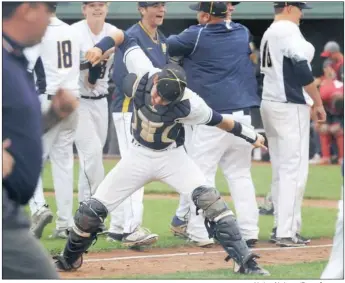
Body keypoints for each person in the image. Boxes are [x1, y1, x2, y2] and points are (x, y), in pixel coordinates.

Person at [53, 27, 269, 276]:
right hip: (137, 156)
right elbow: (123, 36)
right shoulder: (145, 72)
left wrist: (252, 135)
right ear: (155, 81)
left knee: (211, 202)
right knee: (90, 212)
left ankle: (245, 261)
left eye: (167, 101)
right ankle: (69, 259)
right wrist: (100, 47)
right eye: (158, 94)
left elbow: (222, 121)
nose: (158, 101)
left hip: (172, 158)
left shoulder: (191, 104)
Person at [167, 1, 261, 247]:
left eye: (200, 11)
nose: (198, 15)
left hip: (214, 119)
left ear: (206, 15)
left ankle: (200, 233)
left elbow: (167, 45)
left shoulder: (196, 34)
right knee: (240, 175)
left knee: (201, 176)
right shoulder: (241, 32)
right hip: (242, 118)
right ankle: (250, 232)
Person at [2, 2, 78, 279]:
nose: (52, 17)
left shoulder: (14, 56)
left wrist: (55, 116)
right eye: (48, 8)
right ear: (27, 9)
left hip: (11, 206)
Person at [260, 2, 327, 247]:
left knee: (281, 169)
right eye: (299, 9)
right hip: (289, 104)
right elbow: (300, 67)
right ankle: (286, 231)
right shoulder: (288, 29)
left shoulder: (271, 30)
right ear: (288, 7)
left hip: (270, 102)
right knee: (294, 170)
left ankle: (282, 225)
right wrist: (318, 102)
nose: (301, 14)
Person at [106, 1, 168, 248]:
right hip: (128, 109)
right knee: (137, 168)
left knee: (127, 168)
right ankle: (131, 229)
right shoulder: (132, 36)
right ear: (142, 9)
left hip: (145, 111)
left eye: (163, 5)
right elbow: (124, 78)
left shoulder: (160, 39)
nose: (161, 9)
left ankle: (117, 226)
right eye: (154, 5)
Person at [27, 4, 81, 240]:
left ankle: (38, 207)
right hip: (72, 100)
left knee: (28, 159)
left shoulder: (38, 30)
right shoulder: (71, 30)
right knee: (64, 163)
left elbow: (24, 67)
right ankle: (65, 223)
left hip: (49, 100)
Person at [71, 2, 117, 231]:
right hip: (77, 102)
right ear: (84, 8)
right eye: (92, 4)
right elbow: (68, 68)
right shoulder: (74, 32)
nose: (97, 8)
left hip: (101, 101)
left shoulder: (112, 32)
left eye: (101, 4)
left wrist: (101, 57)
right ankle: (91, 214)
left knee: (91, 160)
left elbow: (95, 78)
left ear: (107, 8)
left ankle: (82, 216)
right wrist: (91, 61)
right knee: (93, 154)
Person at [315, 59, 344, 165]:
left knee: (340, 131)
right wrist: (321, 123)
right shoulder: (322, 86)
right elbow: (318, 107)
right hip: (330, 116)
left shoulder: (340, 86)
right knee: (322, 129)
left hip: (340, 117)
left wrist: (341, 125)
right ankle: (325, 157)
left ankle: (342, 158)